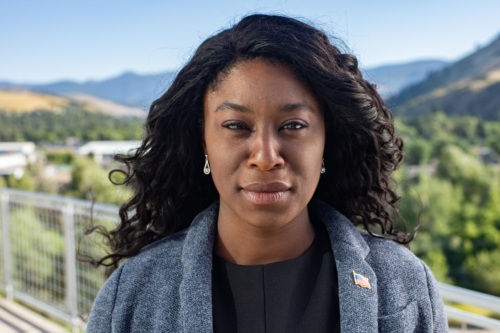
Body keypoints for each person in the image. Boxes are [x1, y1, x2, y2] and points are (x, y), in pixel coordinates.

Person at [86, 14, 448, 332]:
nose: (265, 156)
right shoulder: (132, 294)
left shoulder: (404, 285)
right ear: (203, 140)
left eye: (293, 125)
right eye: (236, 126)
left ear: (328, 139)